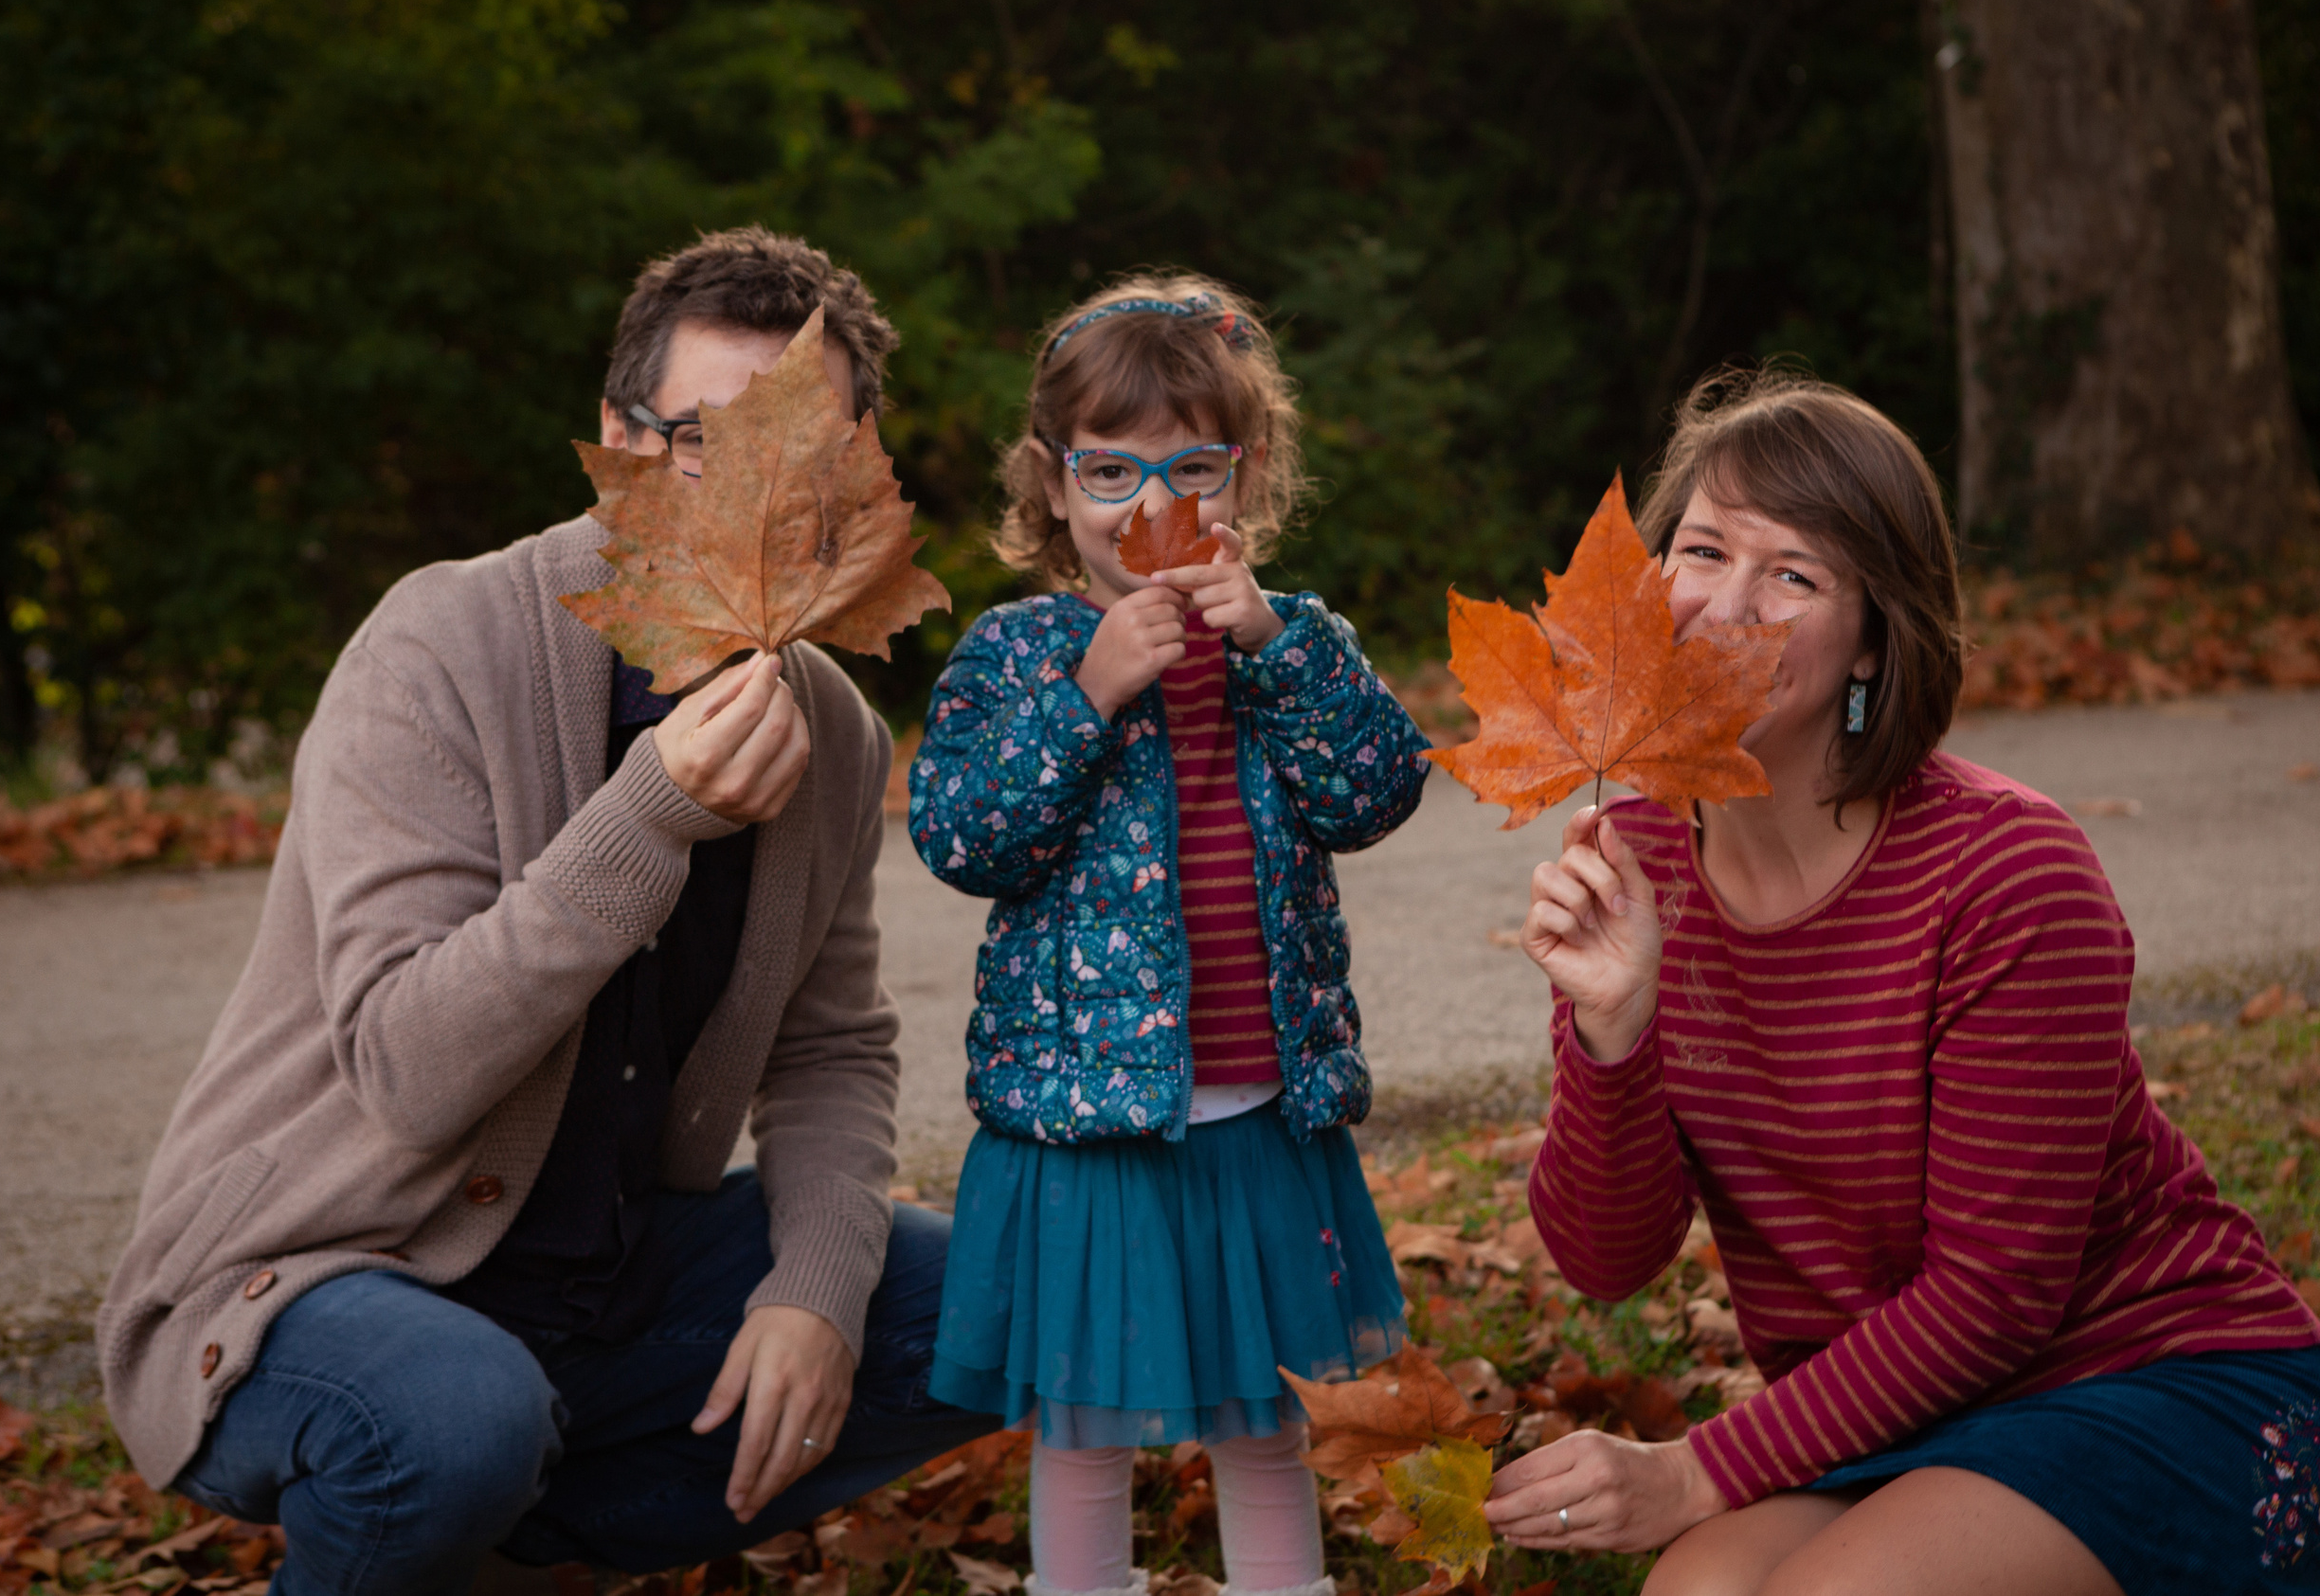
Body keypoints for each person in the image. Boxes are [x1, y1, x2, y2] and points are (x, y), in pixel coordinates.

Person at [97, 225, 995, 1595]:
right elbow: (406, 1066)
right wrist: (651, 817)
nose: (752, 498)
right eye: (701, 442)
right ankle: (452, 1488)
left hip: (605, 1274)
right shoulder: (440, 646)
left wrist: (813, 1291)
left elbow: (829, 1051)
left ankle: (512, 1548)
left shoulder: (833, 732)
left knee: (1001, 1299)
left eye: (805, 461)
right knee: (451, 1421)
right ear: (617, 438)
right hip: (321, 1268)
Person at [1481, 367, 2320, 1594]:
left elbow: (1996, 1297)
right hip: (1879, 1413)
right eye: (1704, 548)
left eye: (1796, 575)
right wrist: (1612, 1035)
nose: (1723, 606)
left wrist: (1696, 1472)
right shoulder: (1636, 852)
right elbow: (1610, 1262)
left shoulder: (2006, 868)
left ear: (1876, 631)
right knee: (1693, 1592)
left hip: (2141, 1379)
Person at [905, 274, 1431, 1596]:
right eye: (1111, 474)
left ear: (1246, 478)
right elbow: (964, 839)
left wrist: (1277, 651)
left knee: (1267, 1418)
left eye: (1192, 471)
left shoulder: (1289, 642)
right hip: (1088, 1125)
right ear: (1051, 476)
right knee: (1084, 1430)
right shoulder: (1018, 652)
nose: (1152, 512)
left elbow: (1375, 792)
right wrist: (1087, 697)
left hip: (1261, 1112)